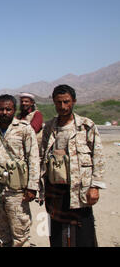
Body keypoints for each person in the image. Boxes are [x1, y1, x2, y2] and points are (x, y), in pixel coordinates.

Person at [41, 85, 105, 247]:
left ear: (74, 101)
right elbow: (42, 158)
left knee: (84, 231)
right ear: (54, 103)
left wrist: (95, 186)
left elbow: (98, 156)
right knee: (56, 232)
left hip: (79, 189)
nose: (62, 106)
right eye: (58, 102)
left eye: (66, 102)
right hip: (56, 190)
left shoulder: (86, 126)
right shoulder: (49, 127)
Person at [0, 94, 40, 247]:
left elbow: (33, 158)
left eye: (8, 109)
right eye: (1, 109)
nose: (4, 112)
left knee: (20, 230)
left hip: (17, 190)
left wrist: (32, 186)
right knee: (0, 230)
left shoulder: (24, 130)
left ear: (14, 110)